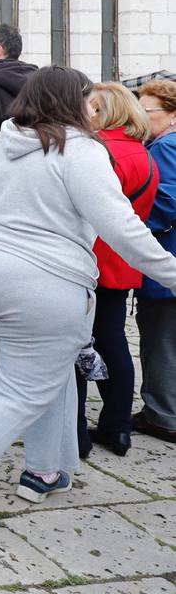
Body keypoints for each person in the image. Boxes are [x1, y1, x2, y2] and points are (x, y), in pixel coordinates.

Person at [0, 67, 176, 539]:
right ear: (71, 101)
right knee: (19, 388)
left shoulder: (4, 142)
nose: (92, 108)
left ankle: (45, 469)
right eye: (87, 100)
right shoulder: (79, 151)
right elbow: (121, 228)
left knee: (49, 370)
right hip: (39, 281)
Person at [75, 83, 157, 458]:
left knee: (75, 345)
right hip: (122, 259)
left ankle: (75, 433)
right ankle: (118, 427)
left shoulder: (97, 151)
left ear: (104, 111)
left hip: (91, 258)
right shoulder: (142, 153)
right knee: (114, 342)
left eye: (90, 107)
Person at [134, 79, 176, 444]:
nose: (142, 119)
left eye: (147, 112)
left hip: (167, 258)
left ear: (172, 115)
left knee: (160, 338)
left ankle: (162, 415)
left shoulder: (165, 147)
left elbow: (164, 205)